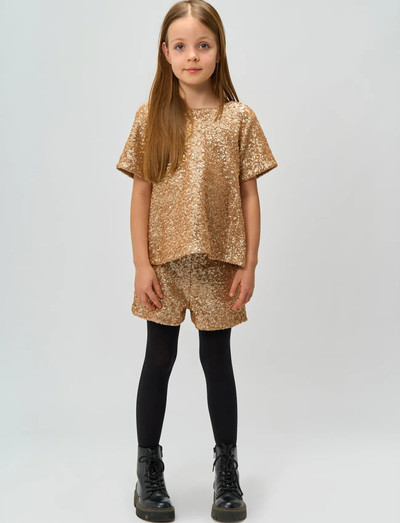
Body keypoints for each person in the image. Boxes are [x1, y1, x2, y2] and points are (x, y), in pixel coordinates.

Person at [115, 1, 278, 521]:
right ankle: (148, 469)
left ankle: (226, 469)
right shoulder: (151, 117)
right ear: (165, 53)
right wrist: (142, 265)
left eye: (203, 45)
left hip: (218, 265)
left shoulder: (238, 118)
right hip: (163, 265)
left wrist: (249, 263)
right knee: (158, 359)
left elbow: (249, 195)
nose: (192, 56)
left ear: (218, 51)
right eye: (181, 46)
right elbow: (141, 193)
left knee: (217, 363)